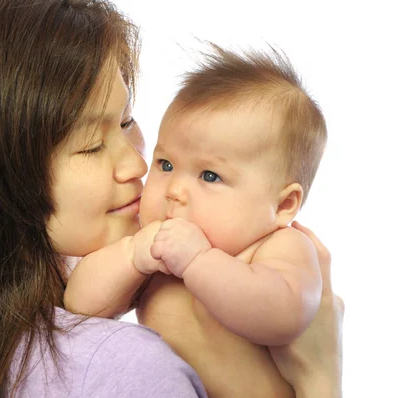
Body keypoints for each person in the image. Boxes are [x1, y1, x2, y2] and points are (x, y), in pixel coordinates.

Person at [0, 0, 343, 397]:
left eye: (127, 122)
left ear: (284, 203)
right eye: (91, 144)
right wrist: (322, 382)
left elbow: (280, 309)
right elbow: (86, 302)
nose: (141, 167)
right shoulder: (120, 368)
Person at [64, 45, 328, 396]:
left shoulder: (279, 247)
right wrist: (133, 255)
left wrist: (199, 261)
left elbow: (286, 317)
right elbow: (80, 305)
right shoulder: (155, 250)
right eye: (166, 164)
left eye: (209, 176)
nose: (174, 190)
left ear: (284, 205)